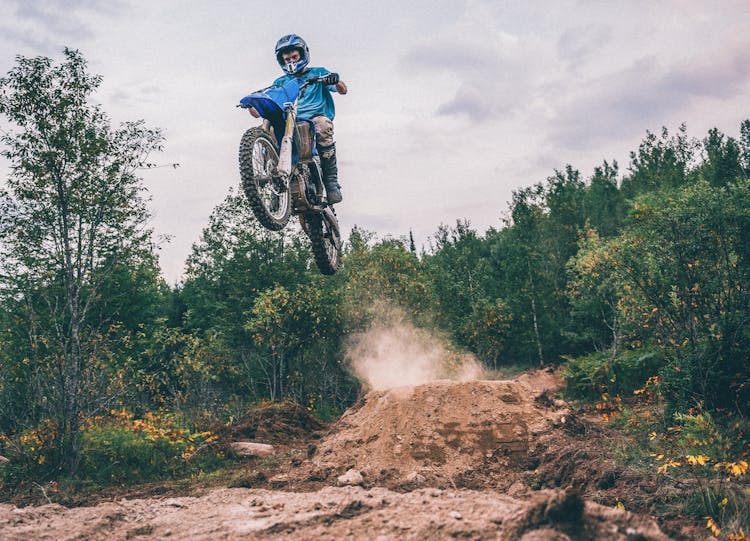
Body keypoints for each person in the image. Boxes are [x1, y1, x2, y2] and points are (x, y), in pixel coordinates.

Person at [269, 34, 347, 204]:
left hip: (314, 118)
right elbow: (271, 99)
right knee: (270, 129)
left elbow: (342, 90)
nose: (291, 61)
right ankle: (275, 184)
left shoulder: (318, 73)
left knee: (322, 125)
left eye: (294, 57)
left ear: (303, 55)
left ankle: (331, 182)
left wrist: (335, 79)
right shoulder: (281, 81)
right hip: (290, 120)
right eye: (287, 58)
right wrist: (253, 106)